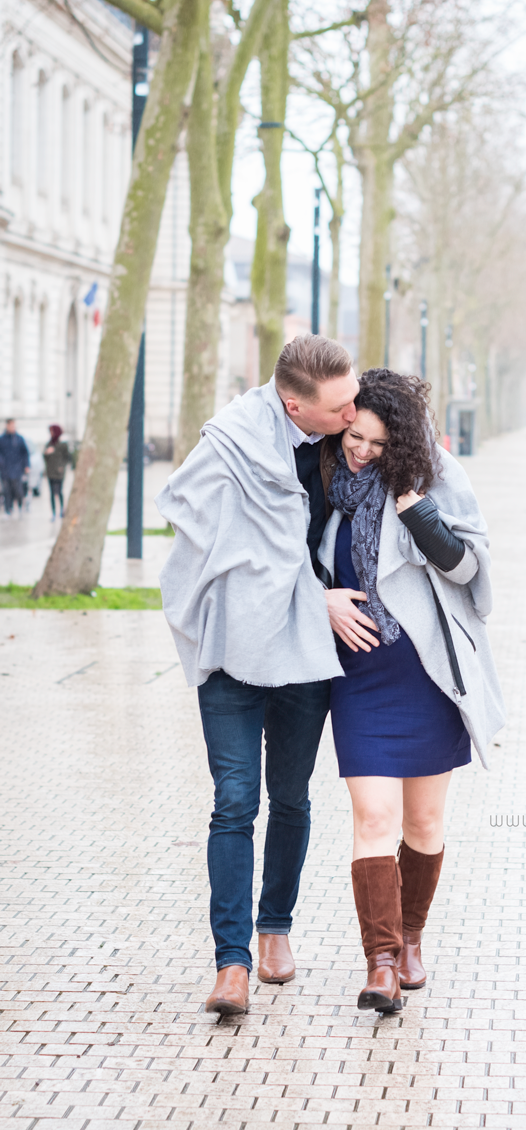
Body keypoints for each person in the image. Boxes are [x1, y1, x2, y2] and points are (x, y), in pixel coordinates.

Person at [156, 336, 362, 1017]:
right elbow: (209, 534)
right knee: (234, 801)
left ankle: (275, 928)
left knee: (292, 797)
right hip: (235, 641)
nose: (351, 411)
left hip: (305, 651)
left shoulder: (346, 442)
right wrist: (311, 594)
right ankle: (231, 963)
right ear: (293, 403)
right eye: (339, 405)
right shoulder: (232, 443)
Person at [318, 369, 505, 1014]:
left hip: (425, 672)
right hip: (360, 676)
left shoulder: (437, 475)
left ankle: (413, 938)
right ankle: (381, 961)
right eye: (354, 435)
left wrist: (416, 511)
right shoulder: (325, 478)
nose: (360, 450)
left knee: (423, 821)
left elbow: (468, 568)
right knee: (373, 818)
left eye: (373, 442)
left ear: (397, 442)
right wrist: (322, 602)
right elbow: (302, 558)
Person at [0, 419, 30, 518]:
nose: (13, 427)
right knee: (7, 491)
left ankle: (21, 508)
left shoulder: (19, 438)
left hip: (17, 469)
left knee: (18, 490)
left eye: (14, 425)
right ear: (7, 426)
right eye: (11, 425)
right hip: (5, 470)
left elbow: (25, 453)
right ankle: (8, 510)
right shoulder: (2, 439)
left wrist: (26, 465)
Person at [43, 425, 72, 520]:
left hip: (59, 472)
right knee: (51, 492)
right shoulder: (48, 444)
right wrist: (46, 453)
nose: (51, 433)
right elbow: (45, 458)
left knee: (59, 492)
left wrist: (62, 466)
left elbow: (67, 458)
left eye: (52, 431)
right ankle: (53, 513)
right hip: (50, 471)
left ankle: (62, 511)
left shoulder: (63, 445)